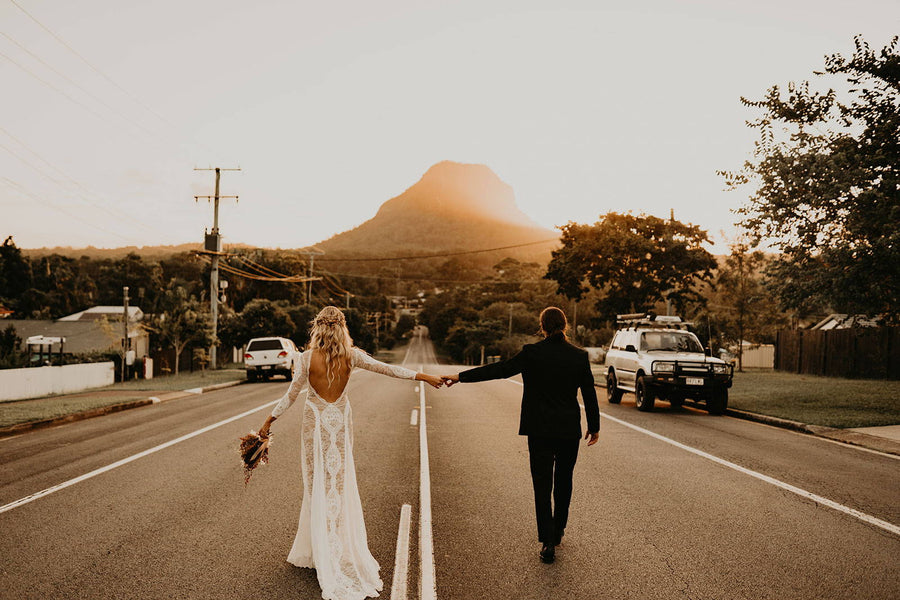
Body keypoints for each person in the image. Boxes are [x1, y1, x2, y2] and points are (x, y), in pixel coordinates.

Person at [257, 306, 444, 600]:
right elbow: (390, 369)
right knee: (339, 486)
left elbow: (291, 395)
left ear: (317, 328)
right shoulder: (352, 356)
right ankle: (333, 547)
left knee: (315, 484)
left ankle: (321, 549)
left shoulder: (305, 359)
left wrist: (268, 421)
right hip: (340, 424)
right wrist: (426, 377)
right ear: (342, 328)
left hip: (315, 426)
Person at [441, 306, 600, 564]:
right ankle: (558, 529)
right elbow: (589, 393)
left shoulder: (532, 353)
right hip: (568, 429)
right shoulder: (579, 356)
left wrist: (460, 377)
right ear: (565, 326)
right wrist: (594, 426)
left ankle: (547, 540)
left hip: (539, 429)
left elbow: (499, 370)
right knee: (563, 481)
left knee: (542, 484)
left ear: (543, 327)